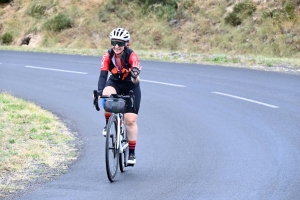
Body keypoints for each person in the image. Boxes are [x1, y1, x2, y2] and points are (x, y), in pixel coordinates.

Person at [97, 28, 142, 165]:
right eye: (114, 42)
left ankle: (132, 153)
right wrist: (100, 92)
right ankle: (107, 124)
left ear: (126, 44)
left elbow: (136, 80)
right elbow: (103, 75)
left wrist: (134, 76)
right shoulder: (107, 55)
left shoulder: (131, 56)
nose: (116, 46)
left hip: (130, 86)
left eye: (120, 43)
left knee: (130, 120)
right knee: (106, 95)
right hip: (115, 81)